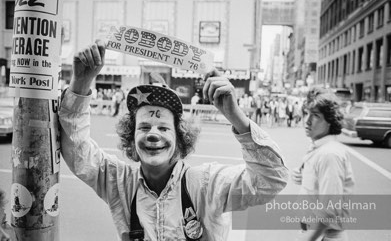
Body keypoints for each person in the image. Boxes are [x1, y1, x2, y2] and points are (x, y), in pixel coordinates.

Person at [59, 40, 289, 240]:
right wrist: (80, 83)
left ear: (180, 140)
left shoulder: (206, 185)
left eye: (163, 127)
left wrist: (235, 115)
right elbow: (78, 152)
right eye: (144, 127)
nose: (153, 133)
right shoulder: (119, 183)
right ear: (132, 138)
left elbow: (271, 180)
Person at [291, 87, 355, 241]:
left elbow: (328, 210)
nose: (307, 120)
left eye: (315, 115)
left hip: (323, 236)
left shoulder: (329, 154)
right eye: (307, 113)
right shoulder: (320, 147)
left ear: (329, 120)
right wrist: (304, 176)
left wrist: (308, 239)